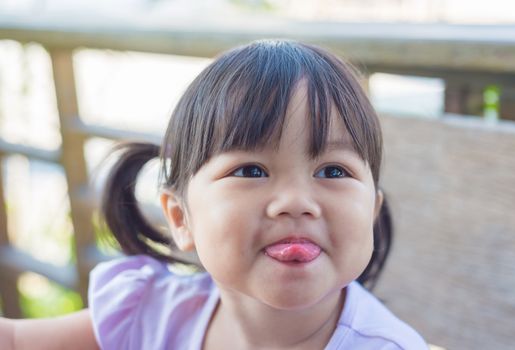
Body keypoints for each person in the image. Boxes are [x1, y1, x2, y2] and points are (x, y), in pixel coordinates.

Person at [0, 39, 427, 349]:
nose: (296, 201)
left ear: (372, 211)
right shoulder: (152, 314)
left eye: (333, 170)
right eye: (251, 170)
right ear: (182, 218)